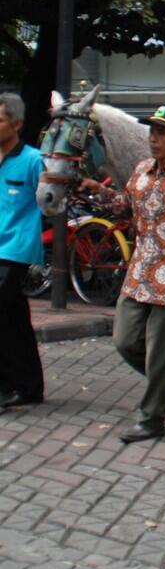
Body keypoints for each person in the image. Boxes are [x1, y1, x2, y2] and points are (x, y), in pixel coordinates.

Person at [79, 105, 165, 442]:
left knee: (159, 351)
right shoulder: (142, 170)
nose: (154, 139)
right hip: (138, 272)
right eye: (152, 131)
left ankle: (152, 417)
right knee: (124, 340)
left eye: (162, 133)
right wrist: (96, 189)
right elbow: (126, 206)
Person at [0, 93, 46, 411]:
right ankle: (30, 386)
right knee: (14, 317)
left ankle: (4, 388)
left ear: (16, 124)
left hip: (17, 248)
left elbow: (49, 198)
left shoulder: (32, 160)